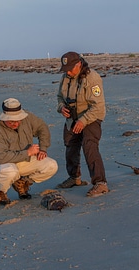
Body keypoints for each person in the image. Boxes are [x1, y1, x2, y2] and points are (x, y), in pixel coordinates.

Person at [0, 98, 58, 205]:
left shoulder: (28, 118)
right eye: (11, 121)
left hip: (23, 158)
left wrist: (43, 148)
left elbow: (42, 128)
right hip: (0, 163)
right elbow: (1, 157)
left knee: (51, 166)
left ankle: (22, 182)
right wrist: (28, 153)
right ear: (3, 119)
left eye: (18, 120)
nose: (15, 123)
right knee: (10, 171)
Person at [56, 51, 109, 197]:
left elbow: (97, 106)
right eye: (65, 69)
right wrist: (61, 108)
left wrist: (83, 120)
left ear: (79, 64)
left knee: (89, 146)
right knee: (70, 145)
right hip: (72, 118)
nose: (68, 72)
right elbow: (60, 97)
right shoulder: (65, 77)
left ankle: (100, 183)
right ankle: (74, 178)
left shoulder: (92, 78)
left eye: (70, 69)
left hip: (91, 118)